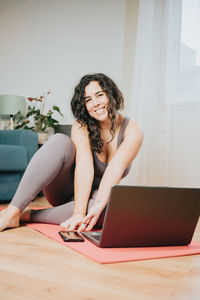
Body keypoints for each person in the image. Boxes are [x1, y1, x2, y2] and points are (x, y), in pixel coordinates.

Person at [0, 73, 143, 233]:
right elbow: (84, 168)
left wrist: (96, 205)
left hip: (95, 197)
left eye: (100, 95)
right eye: (88, 100)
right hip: (66, 190)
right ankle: (12, 212)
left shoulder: (133, 130)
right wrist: (78, 213)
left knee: (107, 209)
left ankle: (28, 215)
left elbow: (114, 169)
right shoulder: (81, 126)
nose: (95, 103)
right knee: (60, 141)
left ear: (111, 95)